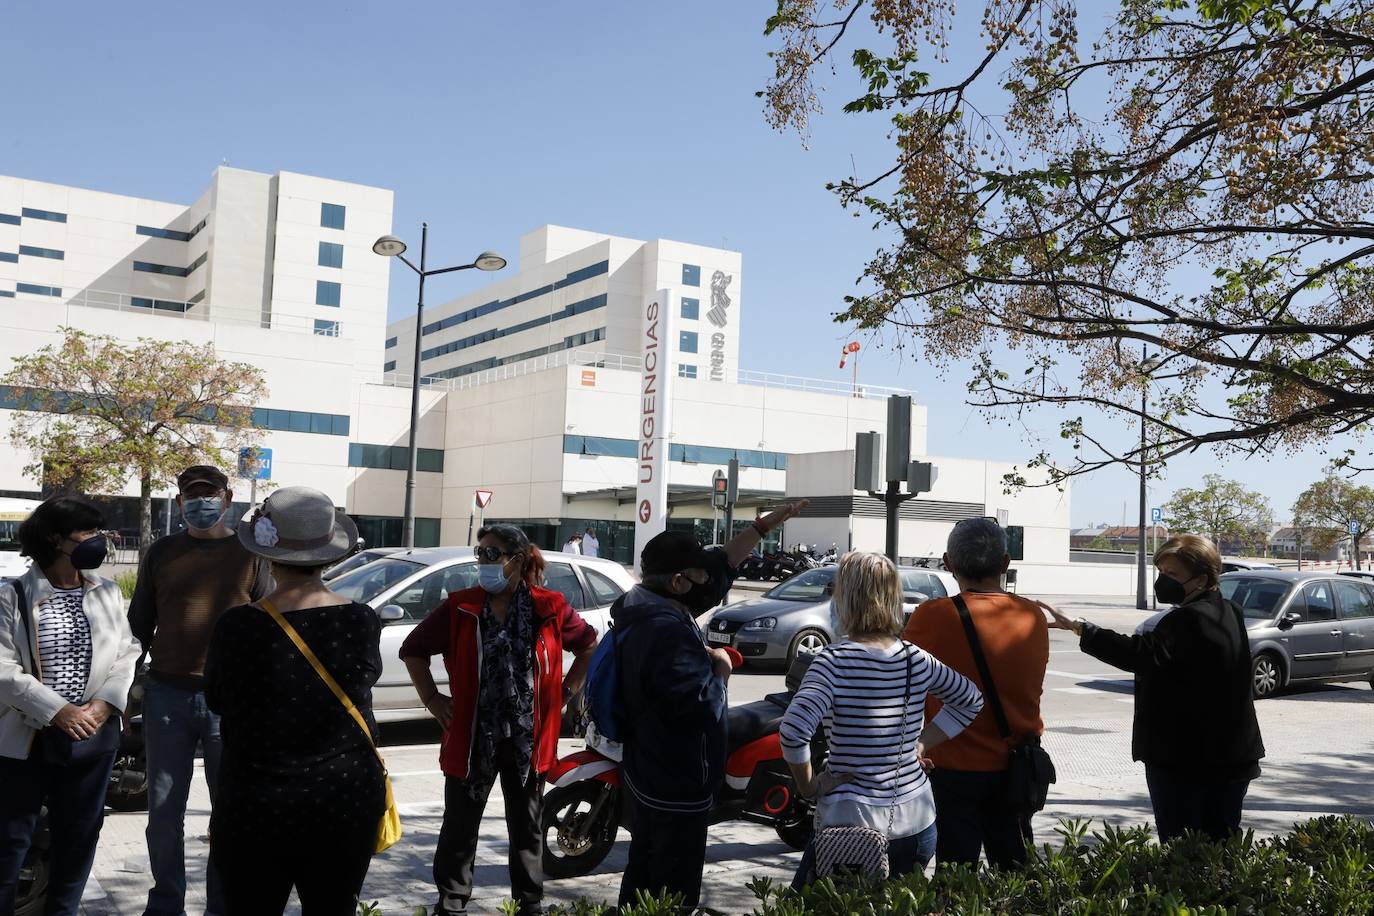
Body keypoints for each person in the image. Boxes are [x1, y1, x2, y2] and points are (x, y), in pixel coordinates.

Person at [614, 501, 805, 911]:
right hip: (676, 780)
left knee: (643, 867)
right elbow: (702, 706)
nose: (710, 579)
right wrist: (720, 669)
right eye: (698, 573)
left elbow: (721, 565)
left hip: (644, 769)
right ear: (681, 582)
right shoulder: (667, 631)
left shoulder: (642, 605)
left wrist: (760, 528)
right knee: (673, 885)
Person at [399, 524, 597, 916]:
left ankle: (530, 904)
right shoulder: (461, 606)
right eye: (480, 553)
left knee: (526, 828)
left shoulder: (550, 607)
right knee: (459, 826)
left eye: (491, 555)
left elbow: (589, 644)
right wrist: (433, 698)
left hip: (528, 740)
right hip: (473, 738)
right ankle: (451, 904)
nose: (481, 563)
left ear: (517, 561)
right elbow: (414, 649)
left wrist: (567, 692)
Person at [204, 487, 386, 914]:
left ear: (267, 553)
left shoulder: (238, 625)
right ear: (329, 553)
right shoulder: (360, 620)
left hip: (256, 800)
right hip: (344, 797)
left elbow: (217, 699)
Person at [1042, 534, 1264, 842]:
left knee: (1182, 851)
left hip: (1186, 761)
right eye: (1161, 572)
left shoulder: (1186, 619)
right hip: (1233, 756)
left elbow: (1139, 654)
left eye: (1172, 574)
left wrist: (1081, 627)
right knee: (1222, 848)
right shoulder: (1229, 611)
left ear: (1201, 579)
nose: (1162, 581)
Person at [781, 551, 984, 885]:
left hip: (851, 825)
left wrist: (810, 786)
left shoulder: (831, 662)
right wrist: (921, 743)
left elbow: (793, 731)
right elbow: (970, 700)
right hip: (917, 822)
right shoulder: (915, 658)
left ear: (845, 599)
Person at [129, 464, 271, 916]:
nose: (201, 502)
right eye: (193, 495)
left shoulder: (252, 554)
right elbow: (138, 627)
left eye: (210, 494)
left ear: (228, 499)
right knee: (163, 815)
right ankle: (166, 904)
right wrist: (129, 686)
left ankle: (221, 907)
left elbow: (269, 624)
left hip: (231, 703)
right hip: (166, 694)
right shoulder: (160, 552)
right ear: (179, 502)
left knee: (229, 814)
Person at [0, 497, 140, 916]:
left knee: (79, 837)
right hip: (26, 740)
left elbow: (126, 652)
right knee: (10, 841)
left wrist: (105, 705)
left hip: (91, 738)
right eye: (88, 533)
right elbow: (3, 667)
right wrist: (56, 710)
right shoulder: (14, 596)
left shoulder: (107, 592)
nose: (98, 542)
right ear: (53, 538)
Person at [902, 518, 1049, 868]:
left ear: (949, 563)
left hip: (952, 769)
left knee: (954, 878)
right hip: (1017, 768)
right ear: (1005, 563)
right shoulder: (1032, 616)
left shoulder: (931, 616)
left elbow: (905, 686)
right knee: (1015, 874)